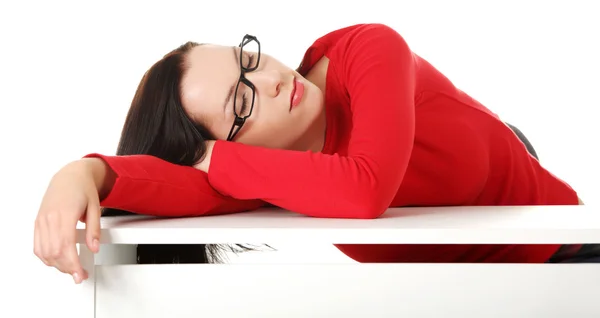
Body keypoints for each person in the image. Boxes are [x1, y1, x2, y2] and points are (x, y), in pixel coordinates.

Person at [34, 23, 596, 285]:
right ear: (220, 145)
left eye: (247, 61)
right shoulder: (267, 174)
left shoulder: (369, 49)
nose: (273, 79)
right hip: (472, 290)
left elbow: (366, 187)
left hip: (548, 242)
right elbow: (177, 185)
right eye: (242, 103)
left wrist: (218, 159)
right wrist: (85, 173)